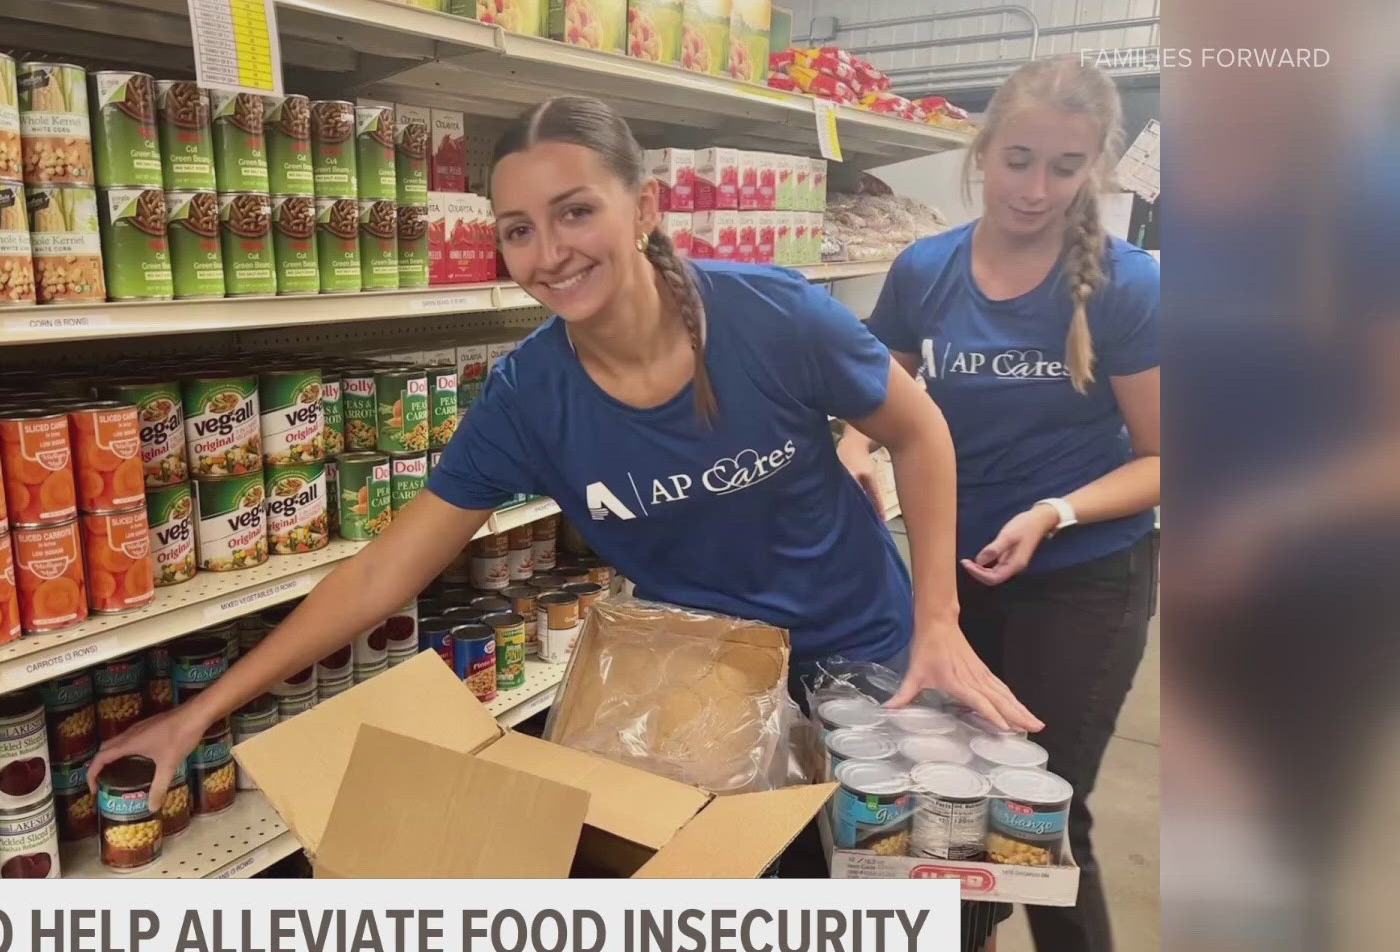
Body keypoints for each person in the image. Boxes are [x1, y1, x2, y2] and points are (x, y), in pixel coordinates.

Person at [88, 94, 1037, 818]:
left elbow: (920, 430)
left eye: (575, 212)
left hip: (868, 650)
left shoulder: (772, 314)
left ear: (644, 209)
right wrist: (199, 713)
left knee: (906, 912)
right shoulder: (527, 397)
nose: (548, 252)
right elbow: (385, 569)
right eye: (518, 230)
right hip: (704, 682)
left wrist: (938, 620)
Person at [840, 55, 1159, 952]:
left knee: (1043, 805)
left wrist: (1056, 511)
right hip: (947, 580)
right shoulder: (924, 272)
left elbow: (1167, 457)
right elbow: (874, 398)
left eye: (1064, 167)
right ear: (981, 150)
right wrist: (855, 452)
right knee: (944, 805)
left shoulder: (1128, 284)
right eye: (1017, 159)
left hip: (1087, 576)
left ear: (1095, 169)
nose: (1034, 188)